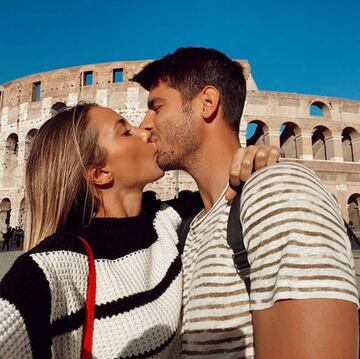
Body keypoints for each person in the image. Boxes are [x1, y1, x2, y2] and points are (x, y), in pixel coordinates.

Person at [0, 102, 278, 358]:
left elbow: (220, 186)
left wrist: (251, 160)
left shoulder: (168, 220)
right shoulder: (53, 268)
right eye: (125, 132)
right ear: (100, 173)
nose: (144, 130)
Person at [133, 47, 359, 358]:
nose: (145, 124)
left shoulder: (277, 191)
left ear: (207, 103)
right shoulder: (190, 227)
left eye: (156, 107)